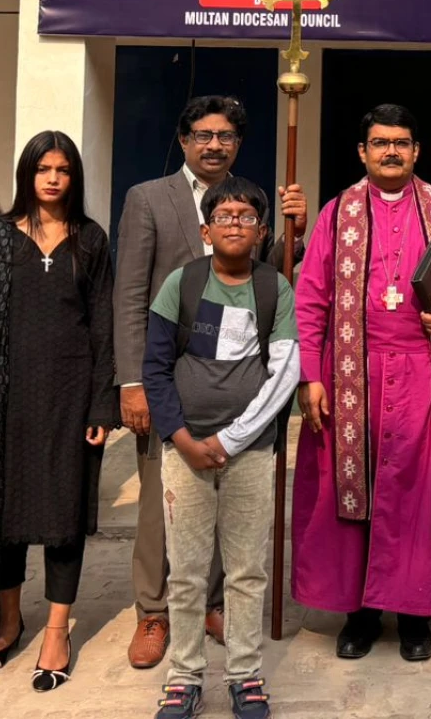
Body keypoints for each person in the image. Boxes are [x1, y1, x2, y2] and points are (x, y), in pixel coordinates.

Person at [291, 104, 431, 663]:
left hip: (427, 373)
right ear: (363, 152)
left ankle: (414, 615)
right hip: (351, 372)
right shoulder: (337, 213)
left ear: (417, 151)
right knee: (349, 493)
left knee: (416, 494)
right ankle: (359, 615)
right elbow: (311, 299)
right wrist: (311, 376)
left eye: (402, 142)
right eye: (380, 143)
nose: (391, 151)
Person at [113, 95, 306, 667]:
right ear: (184, 140)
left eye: (225, 135)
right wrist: (132, 382)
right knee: (161, 501)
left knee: (227, 494)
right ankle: (154, 610)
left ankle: (214, 601)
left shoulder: (250, 199)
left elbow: (267, 273)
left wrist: (293, 225)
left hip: (236, 375)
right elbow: (129, 293)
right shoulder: (149, 198)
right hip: (170, 374)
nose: (213, 144)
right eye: (202, 134)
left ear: (238, 144)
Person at [0, 131, 116, 692]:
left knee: (64, 515)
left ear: (74, 177)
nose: (52, 178)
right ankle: (11, 617)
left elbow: (103, 330)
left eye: (63, 169)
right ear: (27, 174)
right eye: (42, 168)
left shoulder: (90, 241)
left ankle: (58, 631)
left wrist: (101, 402)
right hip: (4, 399)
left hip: (69, 400)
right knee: (4, 515)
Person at [142, 178, 298, 719]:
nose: (235, 223)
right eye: (224, 215)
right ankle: (184, 676)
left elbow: (283, 375)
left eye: (246, 216)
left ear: (261, 231)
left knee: (247, 568)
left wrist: (232, 439)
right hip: (185, 451)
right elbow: (155, 368)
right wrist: (182, 439)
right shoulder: (181, 285)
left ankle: (244, 674)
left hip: (250, 452)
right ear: (206, 230)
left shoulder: (274, 289)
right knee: (185, 570)